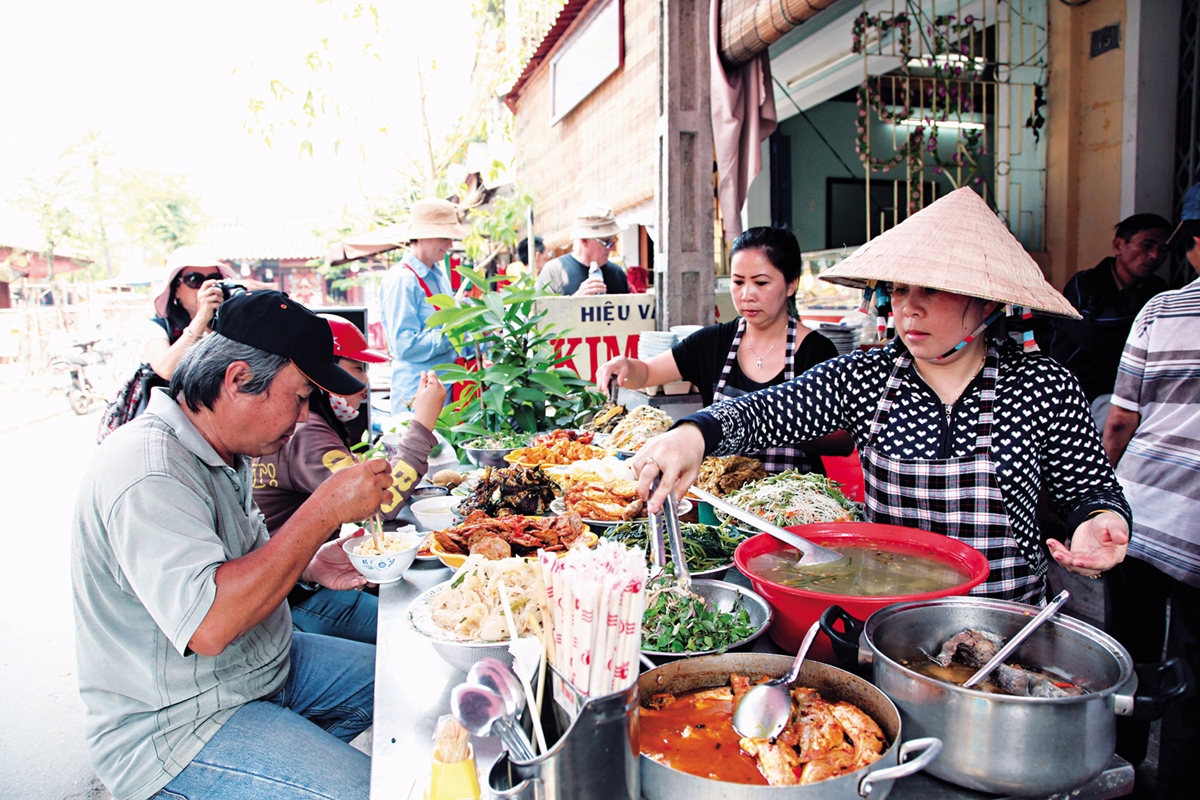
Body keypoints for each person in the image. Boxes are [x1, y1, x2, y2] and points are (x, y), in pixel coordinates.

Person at [635, 188, 1131, 604]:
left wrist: (1100, 520)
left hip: (1006, 622)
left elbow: (1089, 488)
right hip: (886, 617)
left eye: (931, 291)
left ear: (986, 301)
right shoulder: (868, 376)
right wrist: (695, 434)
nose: (907, 309)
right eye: (896, 290)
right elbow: (770, 409)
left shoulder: (1042, 383)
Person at [71, 290, 393, 800]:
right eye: (300, 396)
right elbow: (210, 624)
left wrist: (309, 563)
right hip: (182, 722)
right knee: (371, 792)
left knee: (407, 683)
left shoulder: (223, 449)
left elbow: (233, 566)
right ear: (238, 379)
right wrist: (323, 510)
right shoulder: (148, 469)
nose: (306, 417)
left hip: (260, 665)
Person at [253, 314, 446, 643]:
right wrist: (422, 424)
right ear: (324, 374)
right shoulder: (306, 432)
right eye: (358, 368)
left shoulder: (309, 424)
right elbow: (376, 505)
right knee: (418, 630)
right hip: (294, 599)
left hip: (299, 576)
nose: (364, 383)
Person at [598, 226, 851, 475]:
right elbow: (647, 372)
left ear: (791, 284)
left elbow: (843, 441)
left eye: (761, 283)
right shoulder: (715, 342)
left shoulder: (817, 352)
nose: (747, 294)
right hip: (722, 499)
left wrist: (772, 422)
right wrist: (625, 366)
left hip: (791, 504)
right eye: (738, 282)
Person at [1102, 183, 1200, 799]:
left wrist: (1099, 496)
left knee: (1129, 655)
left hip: (1143, 506)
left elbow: (1120, 420)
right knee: (1193, 670)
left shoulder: (1162, 311)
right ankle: (1183, 782)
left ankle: (1122, 774)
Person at [1036, 213, 1170, 426]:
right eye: (1147, 245)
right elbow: (1088, 333)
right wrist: (1140, 318)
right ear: (1118, 245)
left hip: (1118, 390)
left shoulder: (1158, 290)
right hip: (1069, 388)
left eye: (1163, 250)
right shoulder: (1086, 283)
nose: (1154, 256)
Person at [378, 197, 471, 415]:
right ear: (421, 236)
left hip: (444, 389)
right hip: (415, 394)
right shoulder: (402, 280)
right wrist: (454, 332)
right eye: (445, 237)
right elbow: (404, 345)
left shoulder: (439, 275)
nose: (450, 245)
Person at [145, 245, 239, 381]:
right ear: (175, 289)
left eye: (214, 279)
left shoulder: (229, 325)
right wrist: (201, 318)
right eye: (195, 280)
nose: (206, 287)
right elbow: (166, 370)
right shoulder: (156, 327)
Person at [535, 204, 630, 296]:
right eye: (606, 242)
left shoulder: (617, 274)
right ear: (584, 240)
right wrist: (576, 301)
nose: (613, 248)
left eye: (614, 241)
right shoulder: (555, 272)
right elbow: (540, 311)